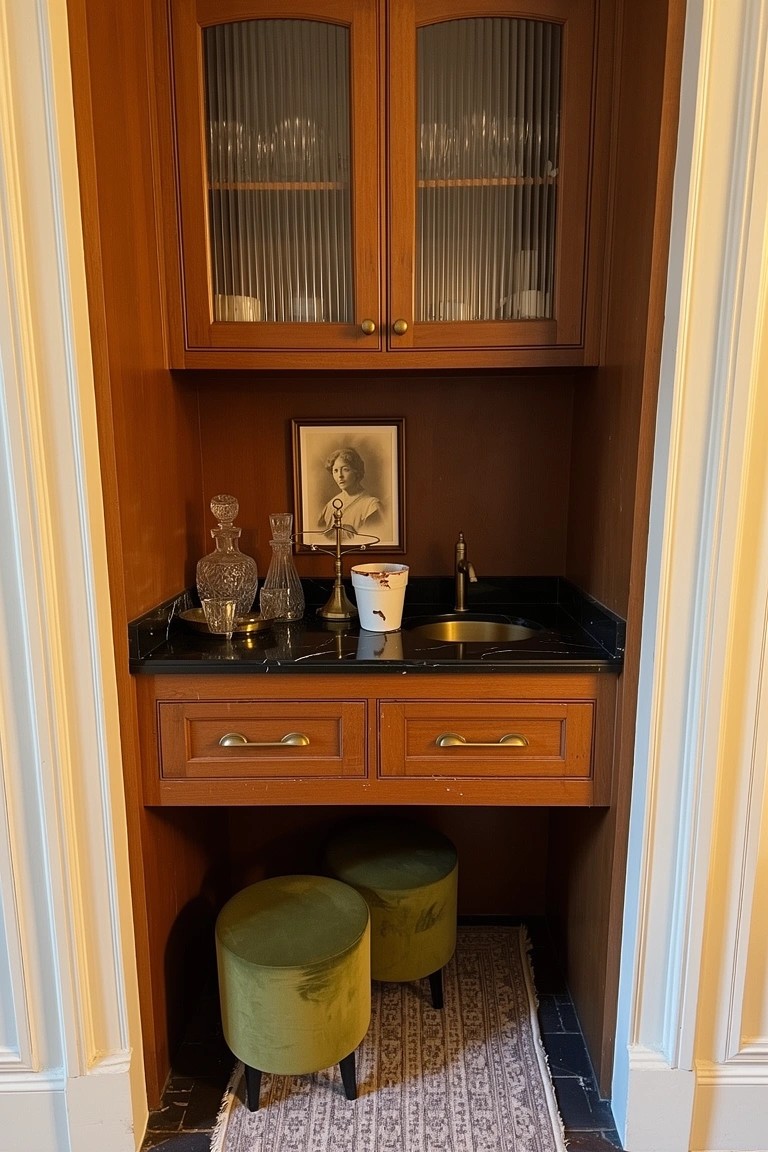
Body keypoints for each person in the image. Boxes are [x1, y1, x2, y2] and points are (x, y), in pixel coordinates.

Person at [318, 447, 382, 539]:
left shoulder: (371, 506)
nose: (340, 475)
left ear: (356, 472)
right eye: (335, 471)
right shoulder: (330, 506)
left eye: (345, 469)